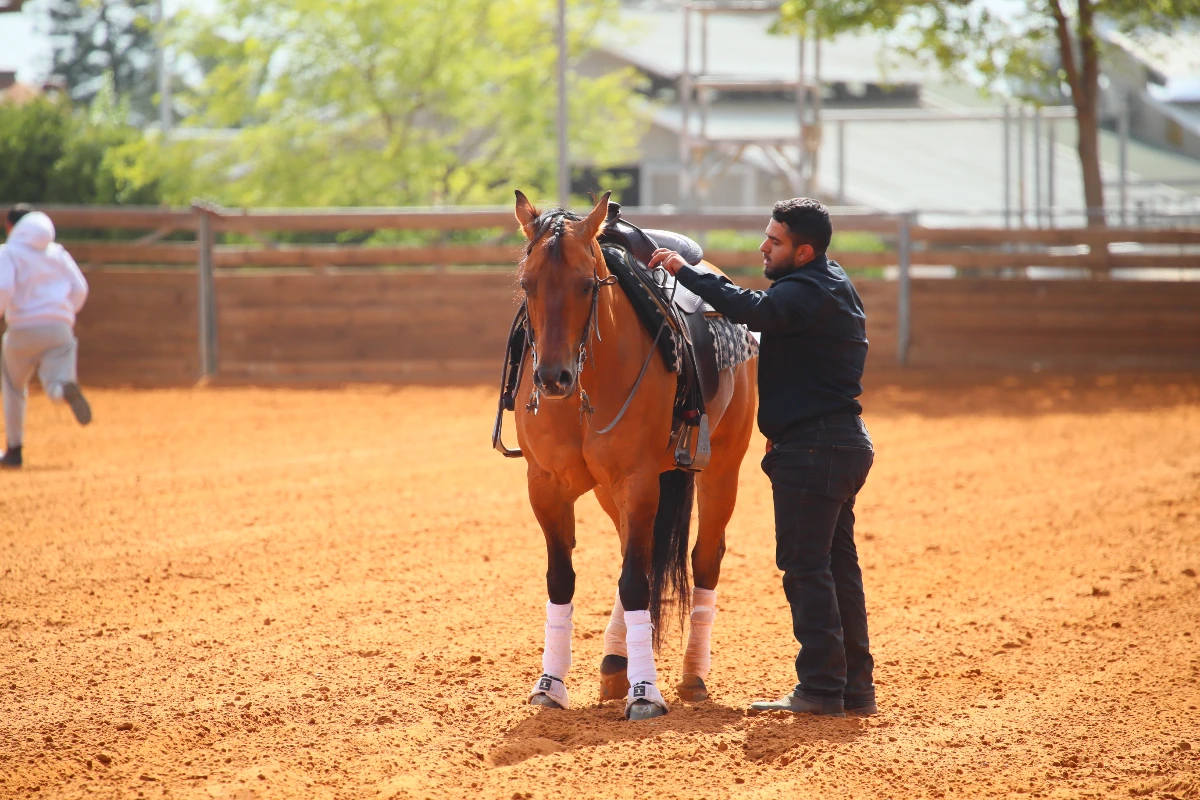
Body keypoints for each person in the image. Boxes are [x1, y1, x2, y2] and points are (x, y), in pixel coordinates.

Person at [648, 198, 876, 717]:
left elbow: (751, 308)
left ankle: (820, 687)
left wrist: (687, 272)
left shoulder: (802, 292)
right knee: (838, 568)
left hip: (814, 450)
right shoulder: (832, 281)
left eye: (774, 241)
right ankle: (854, 689)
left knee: (806, 569)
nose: (762, 247)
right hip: (838, 443)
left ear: (804, 252)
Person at [0, 205, 92, 469]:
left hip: (21, 330)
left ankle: (14, 451)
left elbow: (4, 287)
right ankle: (63, 390)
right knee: (56, 382)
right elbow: (80, 289)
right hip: (58, 328)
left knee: (14, 387)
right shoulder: (57, 253)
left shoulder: (9, 253)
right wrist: (61, 313)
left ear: (11, 227)